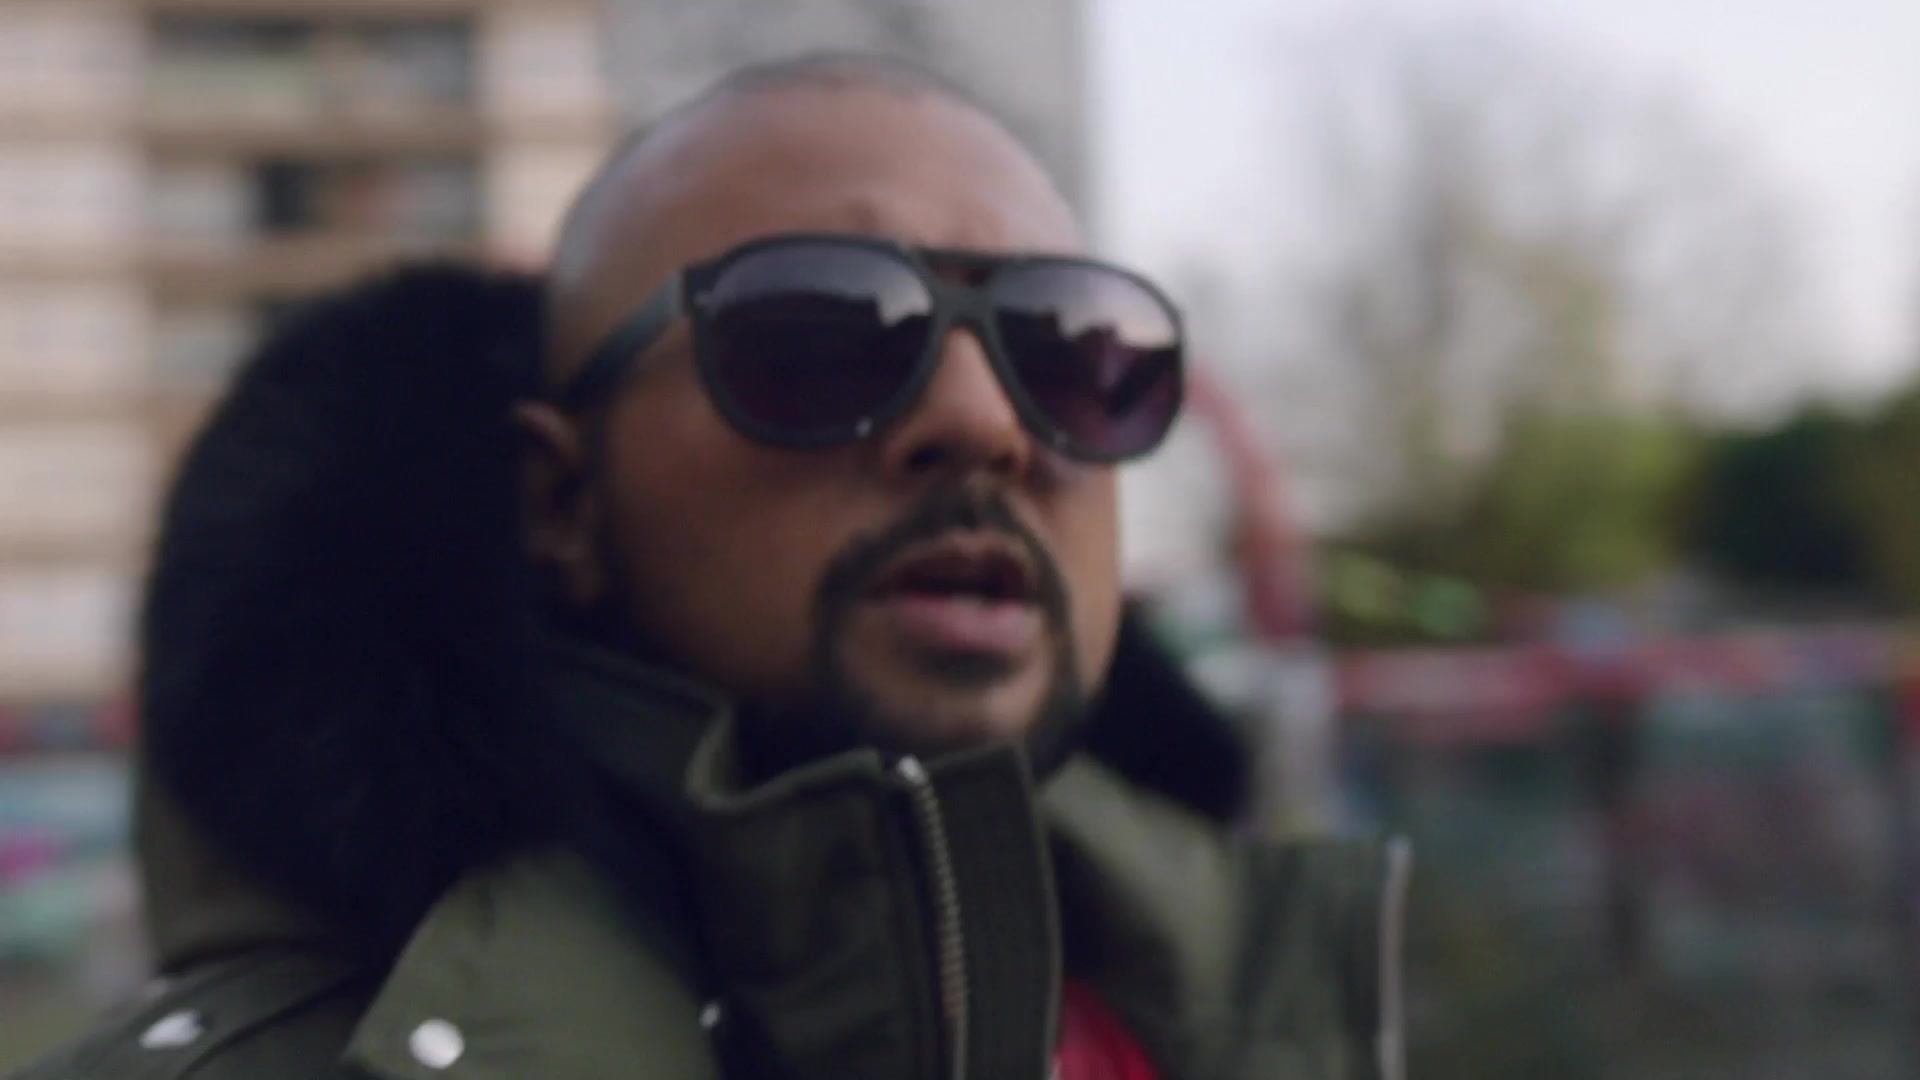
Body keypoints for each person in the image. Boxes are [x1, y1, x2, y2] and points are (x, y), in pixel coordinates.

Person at [15, 54, 1407, 1080]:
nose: (986, 423)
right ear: (560, 500)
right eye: (822, 337)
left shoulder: (1275, 1014)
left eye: (1071, 354)